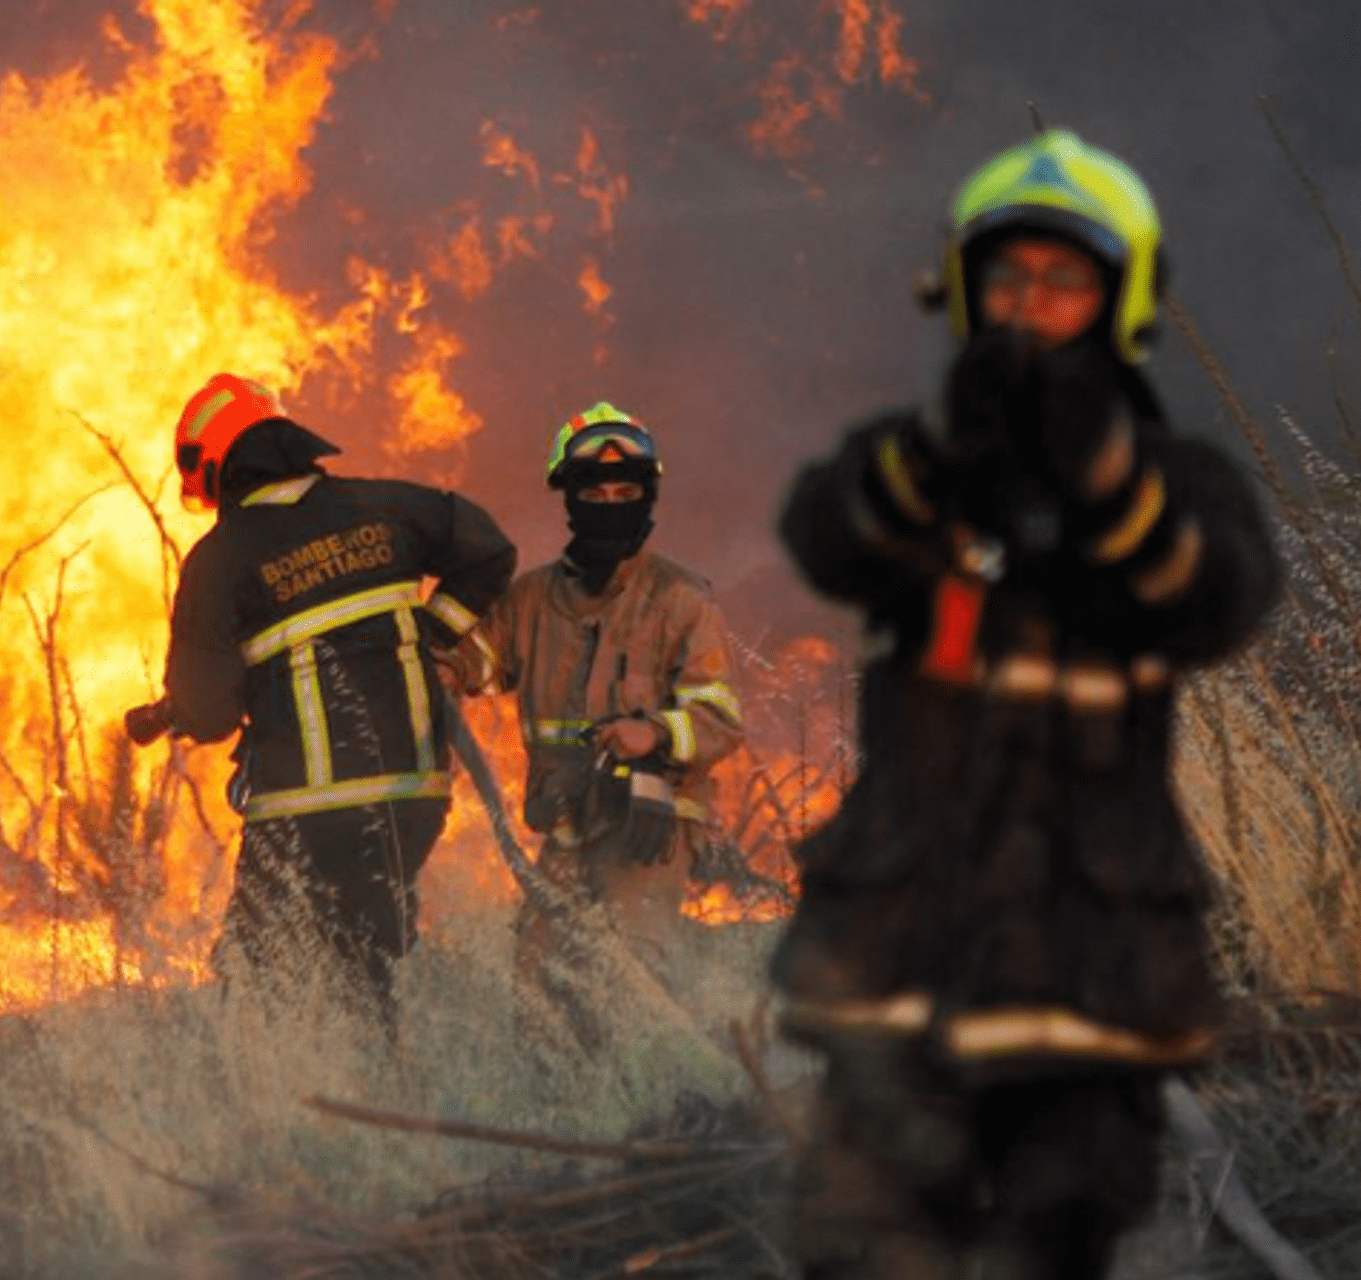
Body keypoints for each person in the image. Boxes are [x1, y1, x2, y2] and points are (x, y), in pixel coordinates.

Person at [770, 130, 1278, 1280]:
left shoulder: (1179, 483)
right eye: (1007, 280)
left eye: (1064, 281)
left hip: (1088, 981)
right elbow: (828, 533)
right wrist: (944, 451)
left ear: (1121, 299)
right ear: (964, 293)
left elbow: (1218, 596)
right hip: (897, 975)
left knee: (1046, 1251)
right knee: (863, 1250)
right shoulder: (909, 468)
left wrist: (1104, 479)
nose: (1031, 308)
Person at [125, 373, 516, 1030]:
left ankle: (305, 1083)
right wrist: (434, 633)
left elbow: (210, 711)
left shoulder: (220, 560)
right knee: (360, 964)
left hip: (309, 809)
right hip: (414, 796)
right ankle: (385, 1072)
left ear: (216, 465)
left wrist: (182, 709)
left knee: (255, 979)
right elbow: (489, 551)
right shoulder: (387, 507)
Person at [442, 403, 746, 1040]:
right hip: (566, 831)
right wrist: (434, 656)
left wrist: (655, 733)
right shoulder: (531, 599)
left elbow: (718, 717)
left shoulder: (681, 600)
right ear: (570, 498)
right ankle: (558, 1099)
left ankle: (658, 1092)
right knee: (535, 986)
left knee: (631, 981)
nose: (611, 505)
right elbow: (474, 665)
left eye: (625, 494)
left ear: (647, 497)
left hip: (649, 829)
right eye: (595, 493)